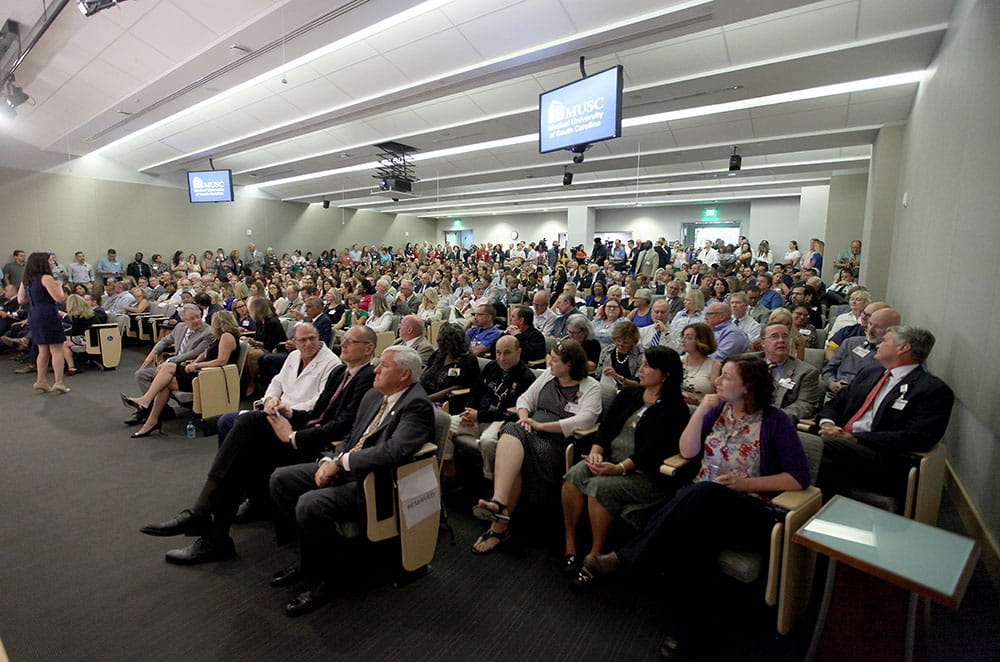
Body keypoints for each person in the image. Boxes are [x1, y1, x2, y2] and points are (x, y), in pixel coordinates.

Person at [584, 354, 809, 659]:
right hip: (701, 507)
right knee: (696, 537)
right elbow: (686, 451)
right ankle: (684, 630)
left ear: (748, 387)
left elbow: (798, 478)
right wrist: (703, 408)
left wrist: (745, 485)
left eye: (727, 377)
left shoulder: (775, 421)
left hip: (750, 510)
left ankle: (628, 559)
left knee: (703, 493)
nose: (717, 382)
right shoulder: (717, 411)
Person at [139, 326, 377, 564]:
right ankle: (213, 531)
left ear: (369, 348)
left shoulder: (364, 378)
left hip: (320, 445)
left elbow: (343, 427)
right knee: (243, 443)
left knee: (246, 431)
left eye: (350, 341)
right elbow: (316, 412)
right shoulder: (342, 373)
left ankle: (203, 518)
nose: (342, 344)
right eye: (343, 340)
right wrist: (287, 411)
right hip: (305, 430)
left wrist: (293, 436)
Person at [269, 345, 434, 616]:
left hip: (376, 483)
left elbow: (394, 451)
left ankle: (325, 580)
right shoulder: (373, 396)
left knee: (310, 504)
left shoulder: (416, 405)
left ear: (404, 375)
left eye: (384, 366)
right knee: (281, 479)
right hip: (347, 467)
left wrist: (340, 463)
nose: (376, 369)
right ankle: (308, 557)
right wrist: (327, 461)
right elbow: (351, 439)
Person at [562, 346, 689, 586]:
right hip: (609, 460)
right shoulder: (629, 395)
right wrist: (596, 452)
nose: (640, 370)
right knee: (574, 475)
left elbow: (654, 452)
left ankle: (595, 556)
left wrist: (619, 468)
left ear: (666, 374)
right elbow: (606, 428)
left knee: (599, 487)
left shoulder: (675, 409)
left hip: (644, 474)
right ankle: (570, 543)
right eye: (641, 364)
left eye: (648, 366)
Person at [472, 339, 600, 554]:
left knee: (512, 433)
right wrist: (524, 419)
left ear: (570, 364)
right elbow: (524, 400)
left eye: (556, 361)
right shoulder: (548, 377)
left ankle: (499, 511)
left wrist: (541, 425)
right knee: (514, 429)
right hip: (529, 431)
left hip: (556, 443)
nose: (550, 364)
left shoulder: (590, 387)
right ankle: (500, 514)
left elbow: (586, 420)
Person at [816, 326, 954, 501]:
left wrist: (854, 438)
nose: (879, 345)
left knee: (819, 446)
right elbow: (837, 402)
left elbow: (918, 437)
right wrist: (828, 423)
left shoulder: (932, 390)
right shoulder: (870, 372)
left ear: (903, 348)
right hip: (840, 440)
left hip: (881, 455)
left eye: (886, 340)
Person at [123, 311, 241, 437]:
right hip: (204, 373)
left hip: (212, 377)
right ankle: (152, 420)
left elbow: (221, 361)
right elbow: (205, 354)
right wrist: (196, 361)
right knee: (166, 383)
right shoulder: (221, 337)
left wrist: (196, 365)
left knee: (168, 367)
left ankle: (147, 405)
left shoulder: (227, 337)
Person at [447, 335, 537, 480]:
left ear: (518, 352)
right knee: (446, 423)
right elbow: (474, 391)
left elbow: (511, 414)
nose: (501, 358)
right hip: (479, 416)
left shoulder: (526, 377)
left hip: (501, 421)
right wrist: (468, 411)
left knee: (488, 442)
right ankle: (450, 473)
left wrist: (479, 416)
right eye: (498, 352)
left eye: (507, 352)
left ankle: (490, 478)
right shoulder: (491, 367)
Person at [18, 252, 70, 393]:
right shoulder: (46, 278)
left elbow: (21, 300)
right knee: (57, 349)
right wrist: (59, 285)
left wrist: (37, 297)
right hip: (48, 314)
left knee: (43, 350)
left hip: (34, 313)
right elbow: (59, 298)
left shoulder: (27, 279)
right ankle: (59, 382)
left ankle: (41, 380)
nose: (52, 262)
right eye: (50, 260)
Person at [823, 307, 900, 393]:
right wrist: (831, 383)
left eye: (878, 327)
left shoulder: (893, 354)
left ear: (892, 330)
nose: (871, 330)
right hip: (837, 393)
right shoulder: (850, 343)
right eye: (870, 324)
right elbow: (829, 369)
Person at [757, 322, 821, 425]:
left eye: (785, 336)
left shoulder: (806, 372)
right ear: (763, 343)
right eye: (774, 336)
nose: (781, 340)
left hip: (777, 425)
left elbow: (805, 405)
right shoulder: (747, 362)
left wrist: (774, 418)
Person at [420, 322, 481, 403]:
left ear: (450, 343)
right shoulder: (439, 354)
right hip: (423, 395)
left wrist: (426, 399)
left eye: (441, 340)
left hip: (446, 401)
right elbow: (424, 372)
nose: (437, 342)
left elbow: (456, 387)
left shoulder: (467, 361)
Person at [679, 322, 720, 405]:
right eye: (683, 336)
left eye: (689, 338)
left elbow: (717, 397)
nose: (683, 341)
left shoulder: (715, 365)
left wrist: (698, 403)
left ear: (701, 341)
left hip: (701, 409)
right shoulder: (677, 361)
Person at [596, 320, 642, 390]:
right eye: (618, 341)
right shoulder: (607, 351)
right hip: (608, 389)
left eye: (625, 343)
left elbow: (640, 384)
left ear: (634, 342)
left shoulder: (641, 354)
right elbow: (598, 376)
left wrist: (618, 377)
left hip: (631, 391)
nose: (621, 345)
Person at [60, 293, 96, 375]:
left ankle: (71, 367)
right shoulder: (90, 312)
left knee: (63, 343)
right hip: (94, 337)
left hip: (87, 339)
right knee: (64, 339)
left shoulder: (77, 316)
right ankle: (69, 366)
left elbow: (75, 331)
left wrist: (63, 333)